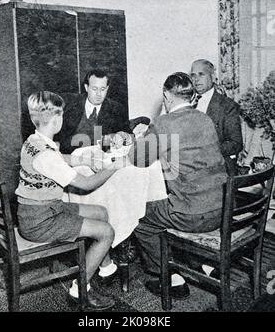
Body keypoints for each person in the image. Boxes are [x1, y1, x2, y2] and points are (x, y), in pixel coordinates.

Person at [15, 91, 124, 311]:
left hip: (38, 210)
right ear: (56, 120)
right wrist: (114, 166)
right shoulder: (46, 157)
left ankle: (105, 268)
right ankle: (79, 289)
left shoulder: (35, 140)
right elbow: (87, 184)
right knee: (106, 232)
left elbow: (58, 157)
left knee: (101, 212)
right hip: (41, 221)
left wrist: (82, 159)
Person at [127, 72, 228, 299]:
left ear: (166, 95)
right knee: (170, 199)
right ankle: (202, 262)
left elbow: (138, 159)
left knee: (138, 216)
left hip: (191, 216)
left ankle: (165, 276)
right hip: (222, 210)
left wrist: (141, 138)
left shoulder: (164, 122)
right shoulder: (205, 119)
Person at [54, 69, 131, 154]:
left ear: (107, 88)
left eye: (102, 89)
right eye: (94, 89)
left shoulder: (116, 109)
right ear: (86, 87)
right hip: (67, 157)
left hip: (99, 158)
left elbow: (130, 136)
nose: (98, 94)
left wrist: (122, 136)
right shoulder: (69, 102)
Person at [190, 59, 243, 176]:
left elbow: (236, 143)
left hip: (217, 168)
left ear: (213, 77)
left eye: (201, 74)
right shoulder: (187, 102)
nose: (196, 79)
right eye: (193, 75)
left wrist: (204, 152)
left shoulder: (228, 106)